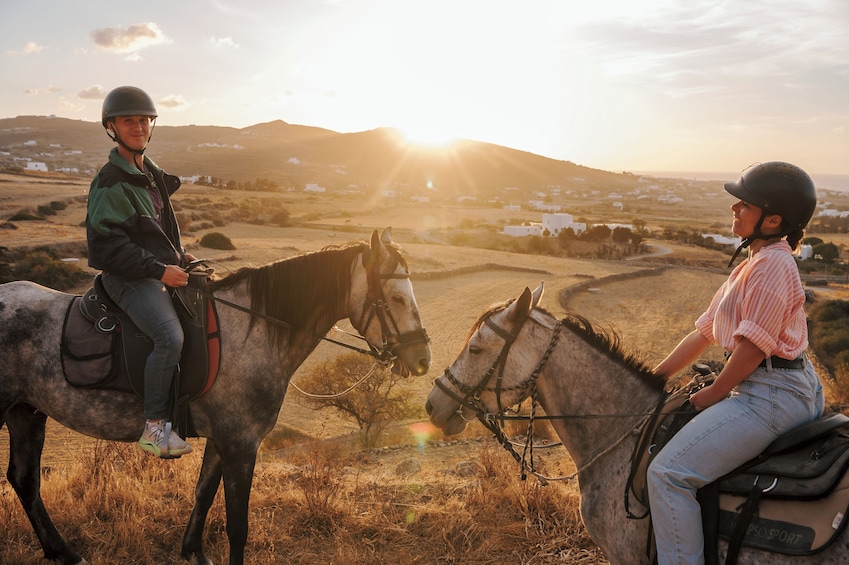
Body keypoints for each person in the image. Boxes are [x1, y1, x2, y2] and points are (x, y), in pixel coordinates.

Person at [646, 161, 825, 565]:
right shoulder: (753, 263)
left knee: (667, 475)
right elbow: (703, 333)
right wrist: (652, 378)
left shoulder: (773, 265)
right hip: (773, 385)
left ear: (773, 219)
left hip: (770, 394)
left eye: (744, 204)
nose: (734, 209)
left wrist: (715, 392)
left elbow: (752, 348)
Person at [86, 86, 194, 458]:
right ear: (111, 127)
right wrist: (160, 271)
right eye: (128, 120)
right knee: (169, 336)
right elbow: (106, 248)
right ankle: (153, 429)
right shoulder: (110, 182)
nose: (139, 126)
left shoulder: (149, 174)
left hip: (155, 270)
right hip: (128, 278)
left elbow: (153, 231)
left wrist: (179, 256)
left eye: (144, 119)